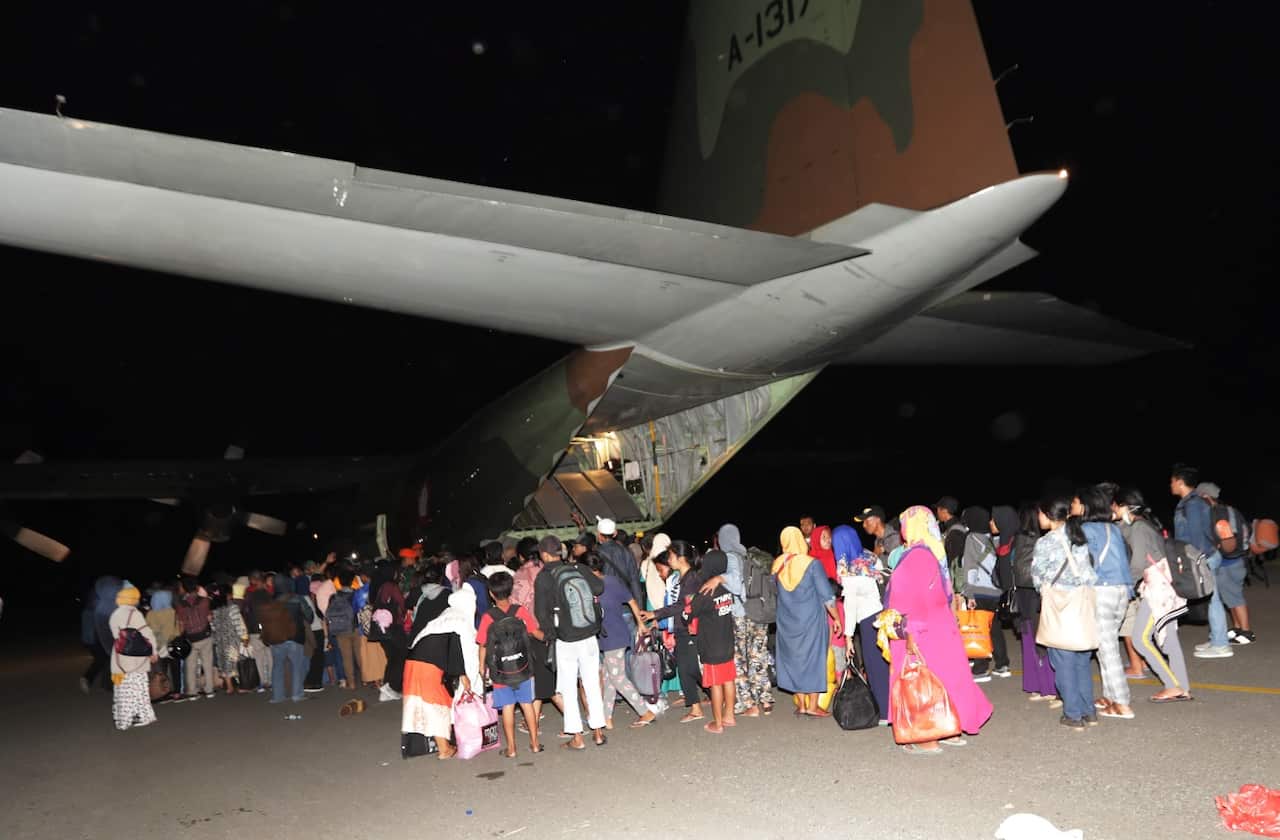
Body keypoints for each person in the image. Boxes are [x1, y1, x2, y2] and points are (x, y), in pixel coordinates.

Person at [886, 507, 993, 753]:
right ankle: (950, 726)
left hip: (919, 627)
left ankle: (926, 733)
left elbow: (909, 598)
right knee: (947, 676)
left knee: (918, 681)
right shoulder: (933, 550)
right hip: (940, 625)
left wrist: (908, 630)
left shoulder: (916, 556)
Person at [1115, 488, 1193, 702]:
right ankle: (1183, 687)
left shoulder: (1139, 528)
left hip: (1158, 591)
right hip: (1166, 588)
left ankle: (1173, 685)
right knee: (1170, 641)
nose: (1113, 509)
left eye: (1116, 505)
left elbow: (1139, 563)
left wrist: (1123, 585)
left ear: (1126, 507)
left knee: (1141, 639)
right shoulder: (1146, 525)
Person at [534, 535, 607, 750]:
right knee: (591, 683)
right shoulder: (578, 568)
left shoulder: (544, 577)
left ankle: (577, 737)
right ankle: (599, 732)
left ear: (544, 555)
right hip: (588, 634)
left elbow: (541, 613)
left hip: (565, 640)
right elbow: (599, 588)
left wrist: (550, 634)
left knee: (568, 688)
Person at [1032, 496, 1099, 730]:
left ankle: (1073, 714)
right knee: (1081, 660)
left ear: (1049, 515)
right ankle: (1088, 711)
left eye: (1040, 513)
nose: (1038, 517)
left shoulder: (1046, 542)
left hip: (1060, 606)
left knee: (1063, 661)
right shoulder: (1079, 537)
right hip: (1081, 604)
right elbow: (1090, 573)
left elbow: (1038, 576)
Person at [1075, 487, 1134, 720]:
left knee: (1108, 649)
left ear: (1087, 506)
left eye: (1077, 502)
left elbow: (1083, 566)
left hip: (1103, 590)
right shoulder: (1113, 528)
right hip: (1122, 589)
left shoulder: (1086, 529)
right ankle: (1110, 696)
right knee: (1104, 645)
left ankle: (1122, 702)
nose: (1073, 506)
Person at [772, 526, 841, 717]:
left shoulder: (777, 565)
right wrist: (836, 618)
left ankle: (801, 705)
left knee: (794, 661)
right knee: (813, 659)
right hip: (811, 620)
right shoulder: (812, 564)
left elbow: (775, 593)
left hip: (787, 622)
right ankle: (812, 706)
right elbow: (827, 595)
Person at [583, 554, 655, 730]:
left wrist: (640, 623)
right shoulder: (594, 585)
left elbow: (631, 600)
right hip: (605, 637)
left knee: (618, 678)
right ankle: (606, 718)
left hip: (615, 636)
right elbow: (631, 600)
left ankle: (645, 711)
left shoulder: (609, 583)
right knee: (609, 678)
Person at [403, 565, 468, 760]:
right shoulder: (457, 619)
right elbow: (456, 650)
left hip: (414, 659)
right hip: (427, 665)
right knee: (438, 704)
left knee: (423, 705)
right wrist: (463, 675)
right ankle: (444, 749)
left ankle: (437, 744)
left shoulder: (444, 617)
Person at [477, 571, 545, 756]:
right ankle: (535, 744)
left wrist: (482, 667)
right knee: (527, 704)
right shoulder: (520, 611)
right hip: (523, 667)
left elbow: (483, 645)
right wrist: (548, 637)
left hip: (501, 672)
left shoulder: (488, 617)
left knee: (507, 708)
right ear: (510, 590)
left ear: (491, 593)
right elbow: (534, 632)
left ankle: (512, 749)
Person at [1171, 464, 1232, 658]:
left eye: (1172, 481)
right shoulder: (1191, 502)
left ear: (1180, 482)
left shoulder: (1193, 504)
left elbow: (1196, 538)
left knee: (1212, 600)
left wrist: (1193, 562)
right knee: (1210, 599)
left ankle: (1221, 645)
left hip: (1203, 557)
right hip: (1205, 555)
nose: (1170, 485)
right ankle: (1216, 638)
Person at [642, 540, 706, 723]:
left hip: (688, 628)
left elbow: (681, 606)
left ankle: (702, 705)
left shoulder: (691, 579)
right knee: (688, 668)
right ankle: (701, 703)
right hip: (682, 628)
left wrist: (655, 614)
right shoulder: (683, 577)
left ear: (681, 558)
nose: (669, 559)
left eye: (671, 555)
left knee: (689, 668)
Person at [714, 524, 773, 718]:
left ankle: (748, 704)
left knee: (738, 658)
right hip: (759, 611)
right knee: (758, 655)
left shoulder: (731, 556)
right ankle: (764, 698)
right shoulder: (748, 555)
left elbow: (735, 583)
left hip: (741, 613)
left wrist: (720, 578)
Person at [833, 524, 890, 722]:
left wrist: (848, 637)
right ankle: (894, 706)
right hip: (886, 614)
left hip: (868, 619)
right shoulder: (870, 557)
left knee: (875, 666)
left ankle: (885, 712)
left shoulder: (847, 567)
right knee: (887, 662)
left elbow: (851, 604)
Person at [684, 549, 737, 734]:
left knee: (716, 683)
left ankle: (718, 723)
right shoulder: (727, 587)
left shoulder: (707, 590)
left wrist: (690, 603)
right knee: (728, 680)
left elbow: (688, 613)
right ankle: (729, 715)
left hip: (712, 644)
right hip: (727, 641)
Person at [1196, 482, 1254, 645]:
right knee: (1230, 596)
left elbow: (1226, 540)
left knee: (1235, 597)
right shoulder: (1231, 510)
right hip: (1238, 559)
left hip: (1229, 562)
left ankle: (1247, 632)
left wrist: (1218, 549)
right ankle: (1237, 628)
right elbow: (1247, 531)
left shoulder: (1216, 513)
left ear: (1205, 496)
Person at [1010, 506, 1056, 703]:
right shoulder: (1039, 537)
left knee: (1036, 641)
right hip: (1035, 594)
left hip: (1030, 594)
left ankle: (1044, 687)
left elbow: (1019, 570)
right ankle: (1044, 687)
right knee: (1038, 641)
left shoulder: (1023, 538)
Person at [958, 506, 1009, 682]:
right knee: (994, 628)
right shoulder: (990, 539)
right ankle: (1002, 664)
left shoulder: (972, 539)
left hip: (979, 590)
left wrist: (968, 592)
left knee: (978, 629)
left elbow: (970, 566)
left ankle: (980, 669)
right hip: (995, 591)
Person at [109, 582, 158, 730]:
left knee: (123, 689)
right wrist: (153, 651)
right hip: (136, 657)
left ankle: (123, 719)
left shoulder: (114, 614)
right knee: (138, 687)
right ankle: (143, 716)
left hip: (120, 656)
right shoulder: (134, 614)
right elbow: (146, 634)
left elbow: (116, 635)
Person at [176, 576, 215, 700]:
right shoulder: (205, 601)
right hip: (204, 636)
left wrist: (181, 635)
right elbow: (209, 618)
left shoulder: (181, 605)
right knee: (207, 664)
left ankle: (192, 692)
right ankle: (209, 690)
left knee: (190, 665)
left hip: (190, 638)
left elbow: (181, 623)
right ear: (196, 587)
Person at [212, 584, 249, 695]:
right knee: (237, 662)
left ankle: (229, 687)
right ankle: (242, 685)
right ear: (228, 594)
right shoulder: (233, 608)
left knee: (224, 663)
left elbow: (213, 626)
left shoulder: (216, 610)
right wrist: (244, 637)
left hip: (220, 640)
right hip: (232, 639)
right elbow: (238, 623)